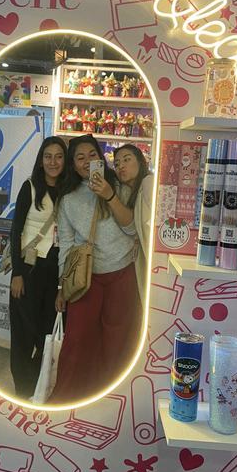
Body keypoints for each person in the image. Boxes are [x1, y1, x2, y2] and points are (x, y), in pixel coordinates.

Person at [51, 135, 141, 403]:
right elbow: (66, 244)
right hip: (86, 277)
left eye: (92, 155)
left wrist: (109, 195)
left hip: (122, 273)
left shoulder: (119, 186)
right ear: (73, 165)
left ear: (101, 159)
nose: (87, 161)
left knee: (117, 342)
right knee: (77, 341)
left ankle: (109, 400)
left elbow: (131, 228)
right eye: (80, 158)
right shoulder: (68, 200)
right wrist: (61, 286)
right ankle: (66, 398)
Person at [8, 136, 67, 399]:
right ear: (41, 160)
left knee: (47, 335)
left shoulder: (69, 191)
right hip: (29, 270)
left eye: (59, 156)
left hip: (55, 273)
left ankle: (38, 389)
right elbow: (16, 230)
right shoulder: (30, 187)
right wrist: (17, 273)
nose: (53, 162)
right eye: (48, 156)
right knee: (23, 334)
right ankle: (21, 391)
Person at [113, 144, 154, 304]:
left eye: (127, 160)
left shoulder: (149, 183)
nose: (121, 166)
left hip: (154, 263)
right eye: (116, 164)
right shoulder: (130, 192)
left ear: (140, 161)